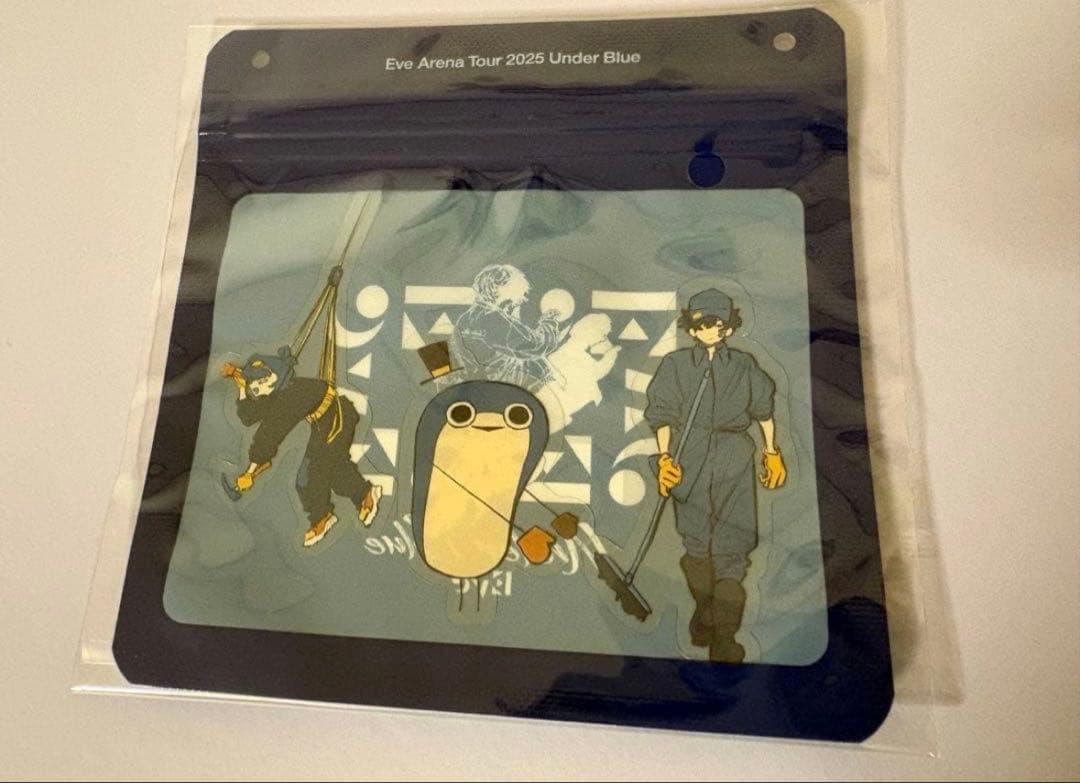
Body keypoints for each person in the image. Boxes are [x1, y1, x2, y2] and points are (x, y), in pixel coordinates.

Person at [643, 288, 787, 663]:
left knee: (733, 547)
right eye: (702, 323)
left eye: (717, 323)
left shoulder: (743, 365)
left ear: (729, 327)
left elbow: (763, 410)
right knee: (695, 542)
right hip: (688, 458)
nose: (709, 329)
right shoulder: (675, 365)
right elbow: (662, 414)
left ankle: (724, 636)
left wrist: (772, 453)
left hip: (733, 456)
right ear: (691, 327)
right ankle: (706, 610)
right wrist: (664, 459)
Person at [222, 349, 382, 547]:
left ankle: (323, 517)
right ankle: (364, 494)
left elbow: (269, 434)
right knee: (332, 469)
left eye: (254, 385)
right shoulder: (277, 391)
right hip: (325, 423)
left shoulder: (290, 396)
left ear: (267, 380)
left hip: (337, 420)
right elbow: (249, 417)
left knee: (309, 476)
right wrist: (239, 382)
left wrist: (251, 472)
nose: (253, 390)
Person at [453, 264, 562, 388]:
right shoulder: (492, 318)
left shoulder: (467, 318)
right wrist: (549, 322)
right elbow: (535, 346)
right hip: (505, 388)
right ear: (501, 288)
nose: (522, 299)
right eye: (519, 290)